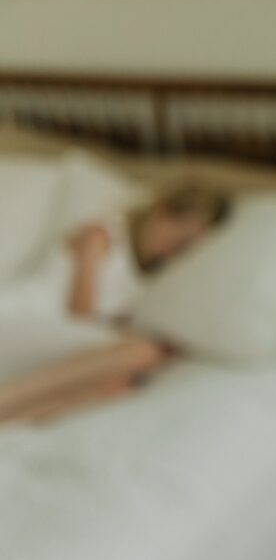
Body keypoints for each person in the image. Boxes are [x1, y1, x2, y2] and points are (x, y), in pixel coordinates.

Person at [0, 180, 230, 424]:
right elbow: (81, 316)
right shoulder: (100, 235)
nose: (173, 252)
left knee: (118, 386)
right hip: (16, 320)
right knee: (144, 353)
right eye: (178, 239)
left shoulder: (147, 279)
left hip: (45, 344)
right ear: (162, 210)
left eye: (185, 249)